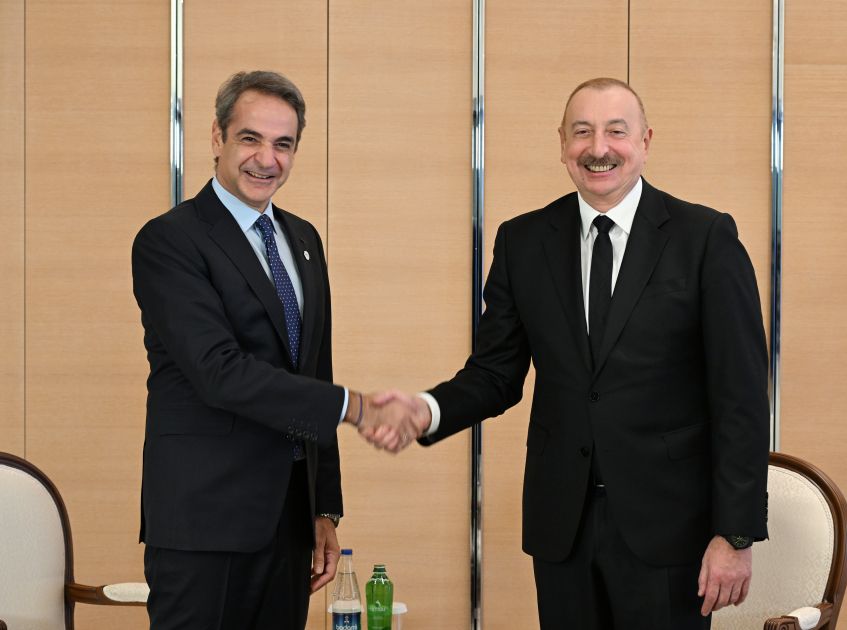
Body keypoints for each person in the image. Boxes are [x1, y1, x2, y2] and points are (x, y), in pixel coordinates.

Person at [369, 77, 770, 629]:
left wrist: (735, 534)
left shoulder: (704, 238)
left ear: (646, 141)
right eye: (582, 132)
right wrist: (427, 409)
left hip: (671, 529)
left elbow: (741, 396)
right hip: (563, 526)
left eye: (616, 132)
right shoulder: (522, 241)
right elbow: (494, 374)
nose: (598, 148)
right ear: (562, 144)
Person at [132, 70, 419, 629]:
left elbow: (314, 373)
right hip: (204, 523)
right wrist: (355, 407)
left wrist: (324, 507)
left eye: (283, 144)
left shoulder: (303, 239)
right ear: (217, 137)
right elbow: (219, 372)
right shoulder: (170, 240)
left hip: (288, 523)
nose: (267, 159)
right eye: (250, 139)